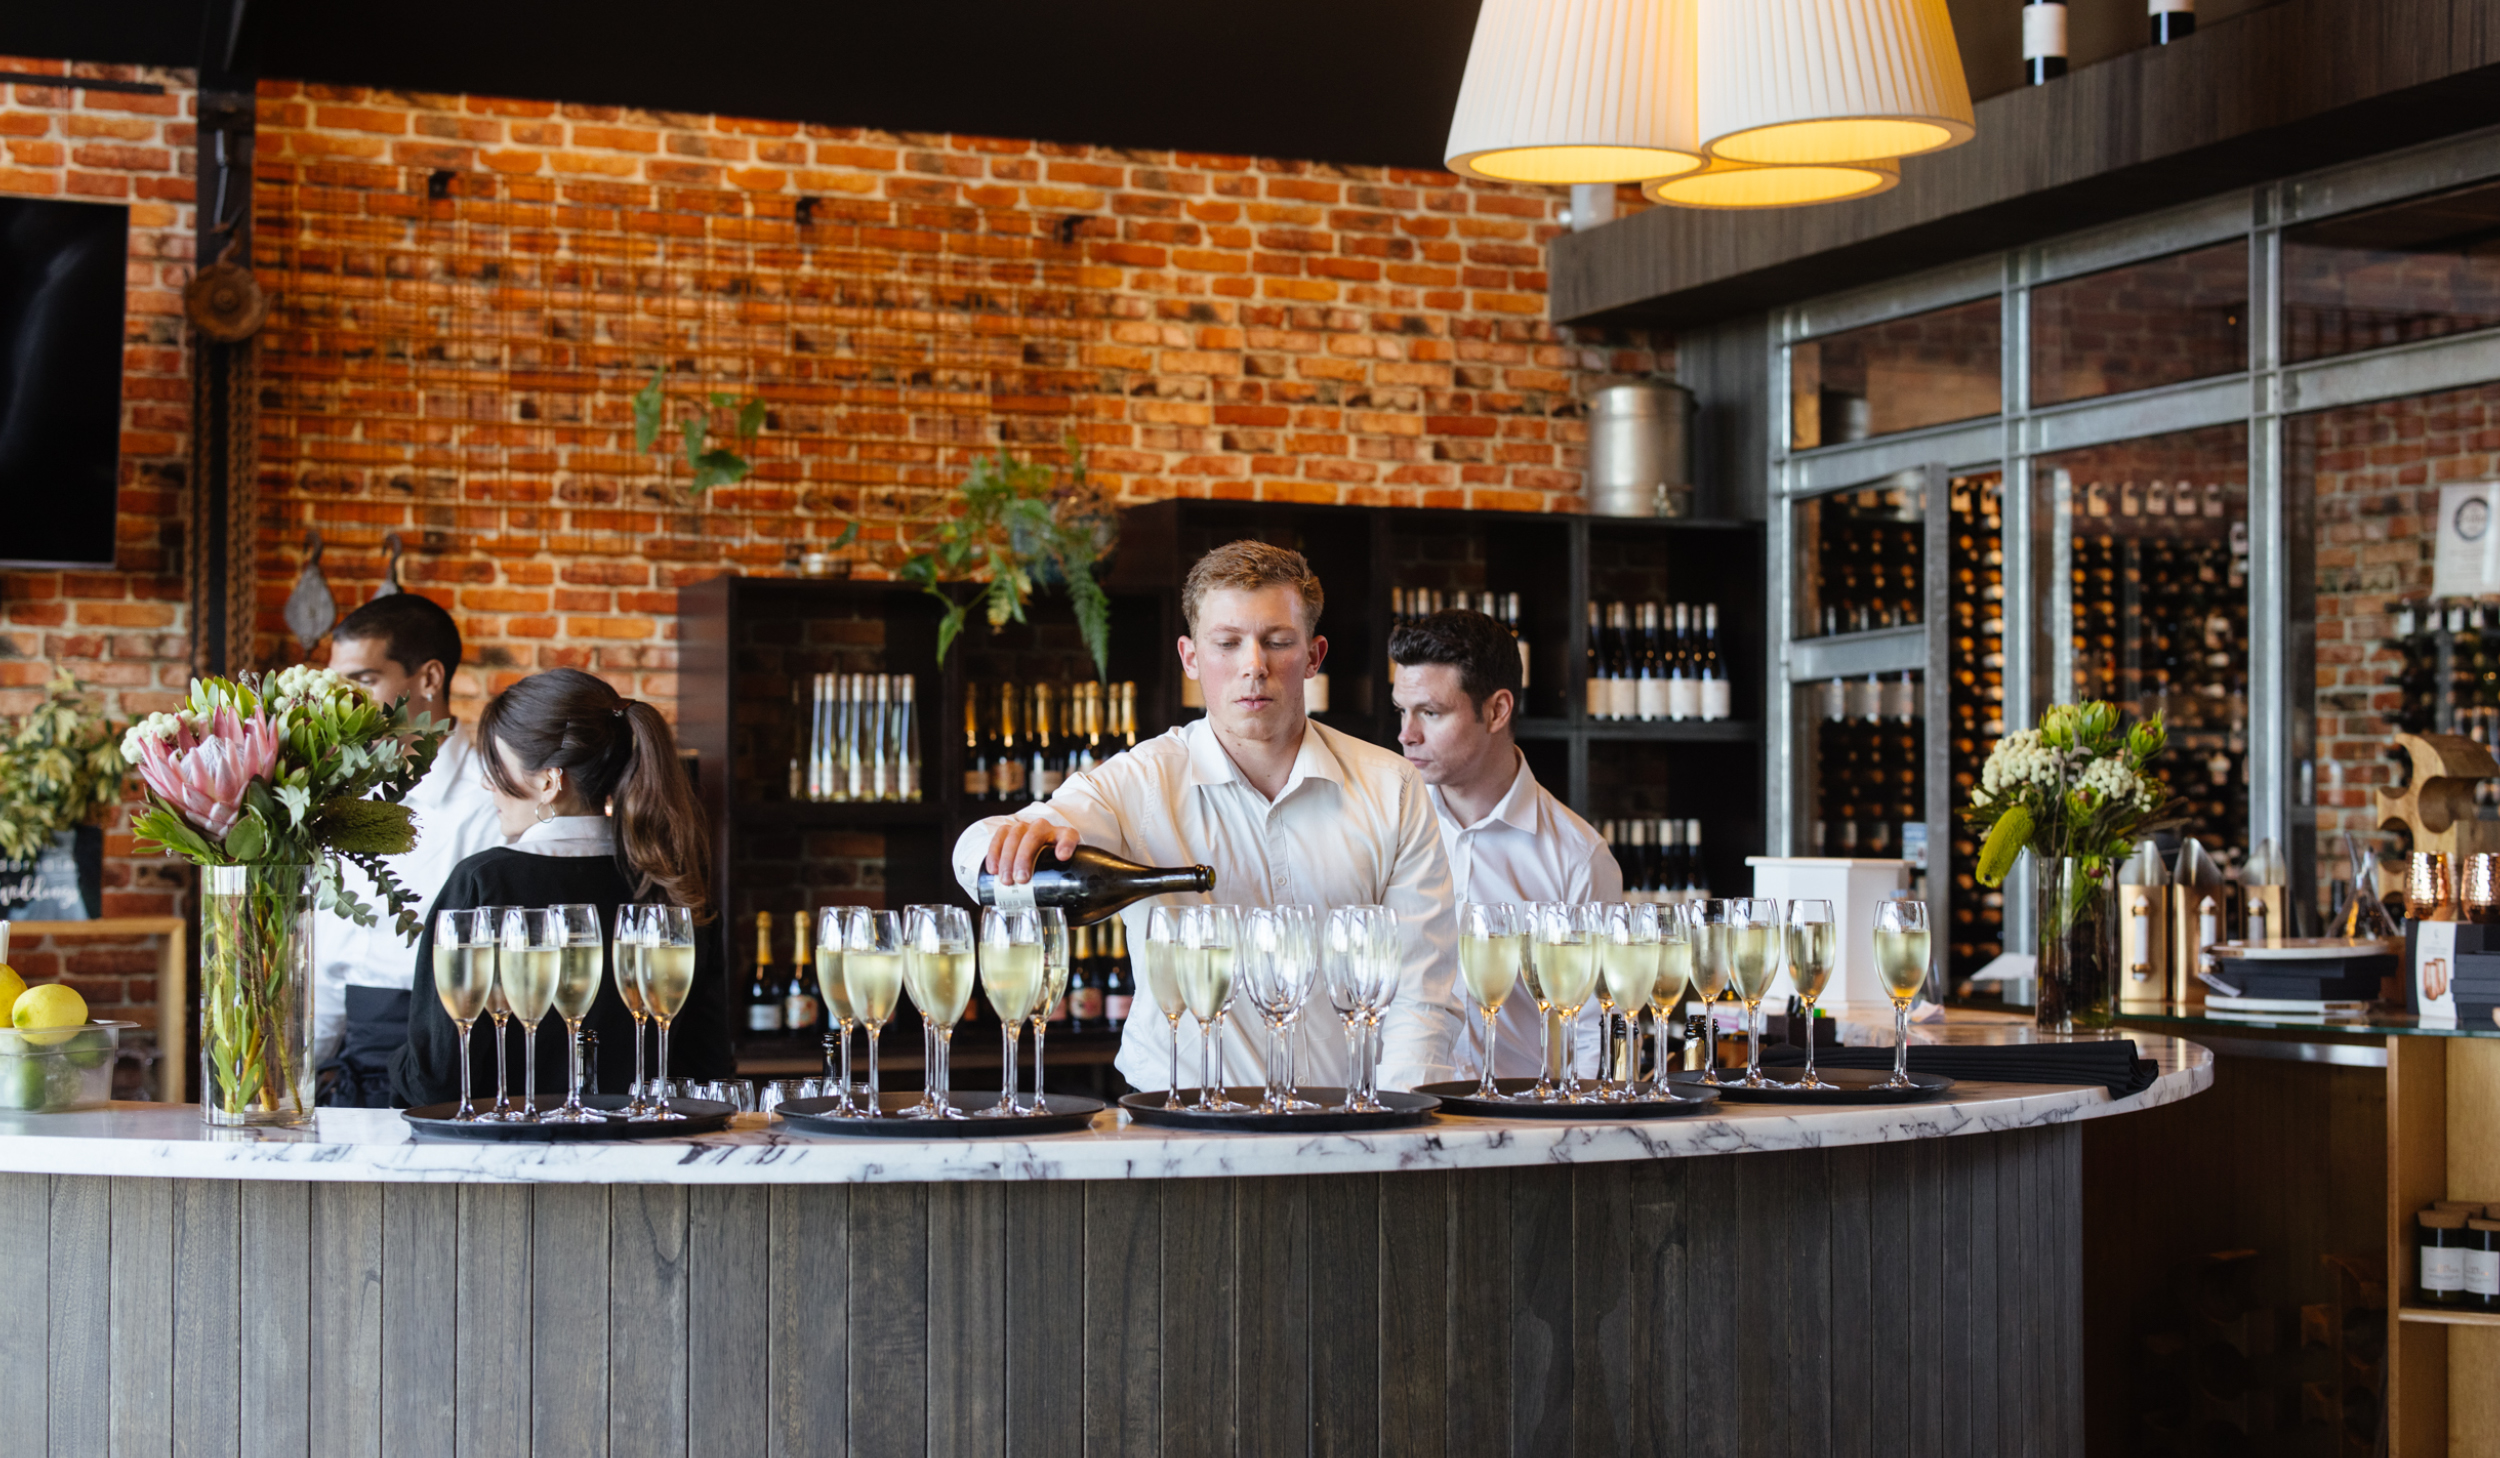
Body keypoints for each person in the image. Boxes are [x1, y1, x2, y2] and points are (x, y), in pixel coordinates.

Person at [954, 540, 1463, 1092]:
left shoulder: (1392, 786)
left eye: (1277, 642)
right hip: (1178, 1126)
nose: (1254, 667)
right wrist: (1009, 843)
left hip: (1350, 1124)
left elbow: (1423, 993)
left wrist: (1399, 1128)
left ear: (1314, 656)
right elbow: (976, 852)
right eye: (1227, 643)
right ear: (1191, 658)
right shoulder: (1139, 782)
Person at [389, 668, 736, 1108]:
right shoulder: (676, 886)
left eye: (495, 767)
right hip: (649, 1156)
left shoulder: (482, 883)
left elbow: (435, 1078)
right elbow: (707, 1074)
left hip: (500, 1163)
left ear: (549, 782)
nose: (485, 783)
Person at [1390, 607, 1623, 1080]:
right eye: (1402, 710)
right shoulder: (1385, 828)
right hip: (1399, 1114)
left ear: (1496, 710)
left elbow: (1596, 1032)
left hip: (1520, 1126)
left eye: (1430, 713)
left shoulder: (1578, 858)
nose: (1406, 735)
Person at [313, 593, 508, 1106]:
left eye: (363, 680)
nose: (343, 700)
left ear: (427, 680)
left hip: (450, 1078)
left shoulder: (494, 801)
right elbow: (332, 969)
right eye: (338, 683)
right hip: (348, 1080)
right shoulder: (337, 797)